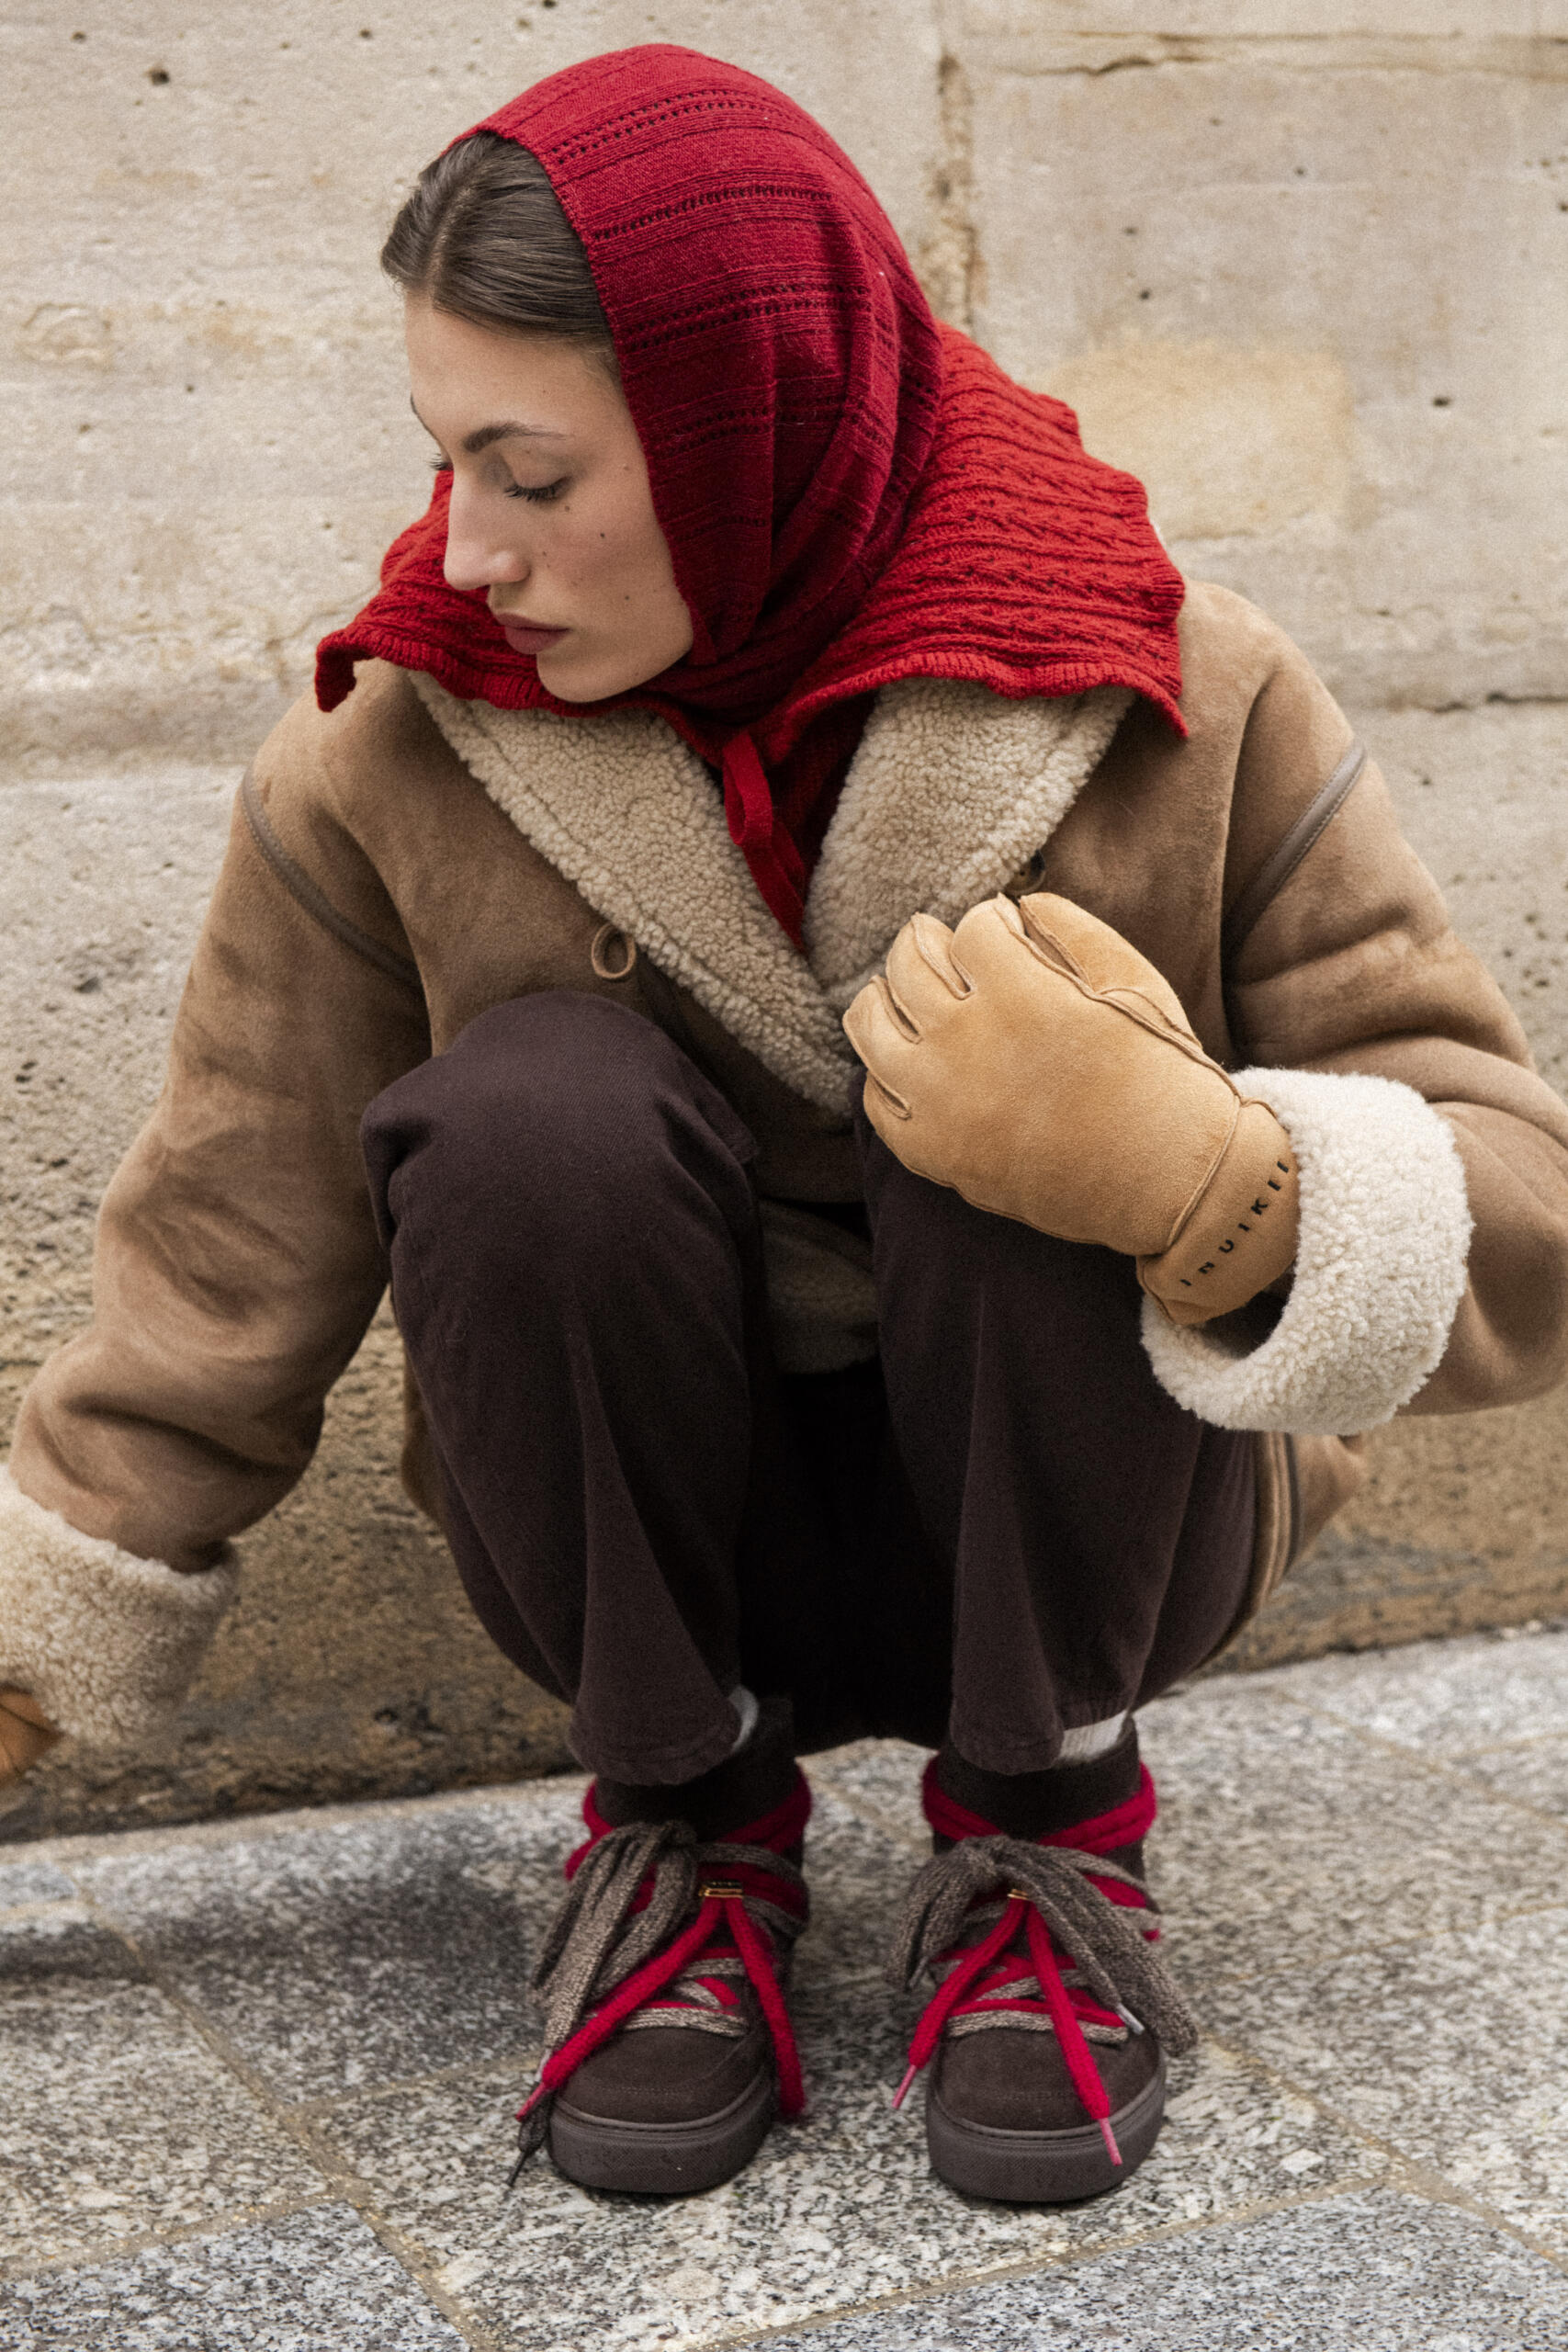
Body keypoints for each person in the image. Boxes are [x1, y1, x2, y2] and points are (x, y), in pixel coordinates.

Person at [4, 45, 1567, 2206]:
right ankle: (686, 1823)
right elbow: (223, 1252)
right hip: (652, 1550)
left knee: (1007, 1071)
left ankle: (1050, 1826)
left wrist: (1206, 1176)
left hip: (1084, 1521)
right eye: (446, 462)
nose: (470, 548)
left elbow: (1516, 1188)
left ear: (746, 421)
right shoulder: (389, 748)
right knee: (530, 1110)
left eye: (530, 473)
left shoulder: (1180, 686)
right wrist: (26, 1661)